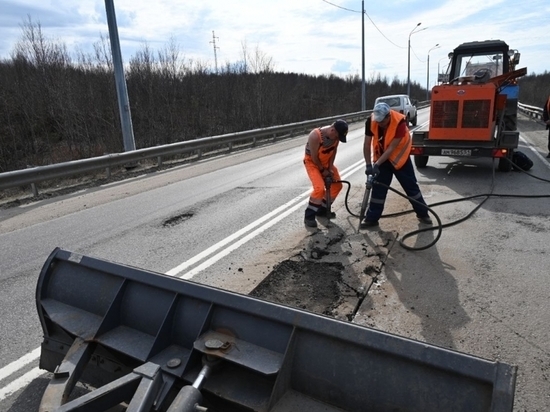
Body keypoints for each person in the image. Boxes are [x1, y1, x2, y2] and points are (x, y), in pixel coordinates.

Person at [360, 102, 431, 228]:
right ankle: (372, 218)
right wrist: (368, 165)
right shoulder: (371, 121)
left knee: (411, 188)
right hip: (382, 158)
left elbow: (391, 148)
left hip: (400, 159)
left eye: (382, 121)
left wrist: (377, 164)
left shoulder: (400, 122)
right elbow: (366, 144)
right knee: (378, 189)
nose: (379, 123)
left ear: (388, 116)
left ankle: (423, 214)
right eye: (378, 121)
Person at [303, 119, 348, 227]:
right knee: (319, 188)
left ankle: (321, 210)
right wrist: (323, 171)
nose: (337, 139)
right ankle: (309, 216)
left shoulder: (335, 138)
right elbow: (314, 157)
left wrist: (330, 167)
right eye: (337, 136)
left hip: (326, 163)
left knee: (337, 186)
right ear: (333, 130)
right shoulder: (315, 136)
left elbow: (333, 151)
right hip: (313, 163)